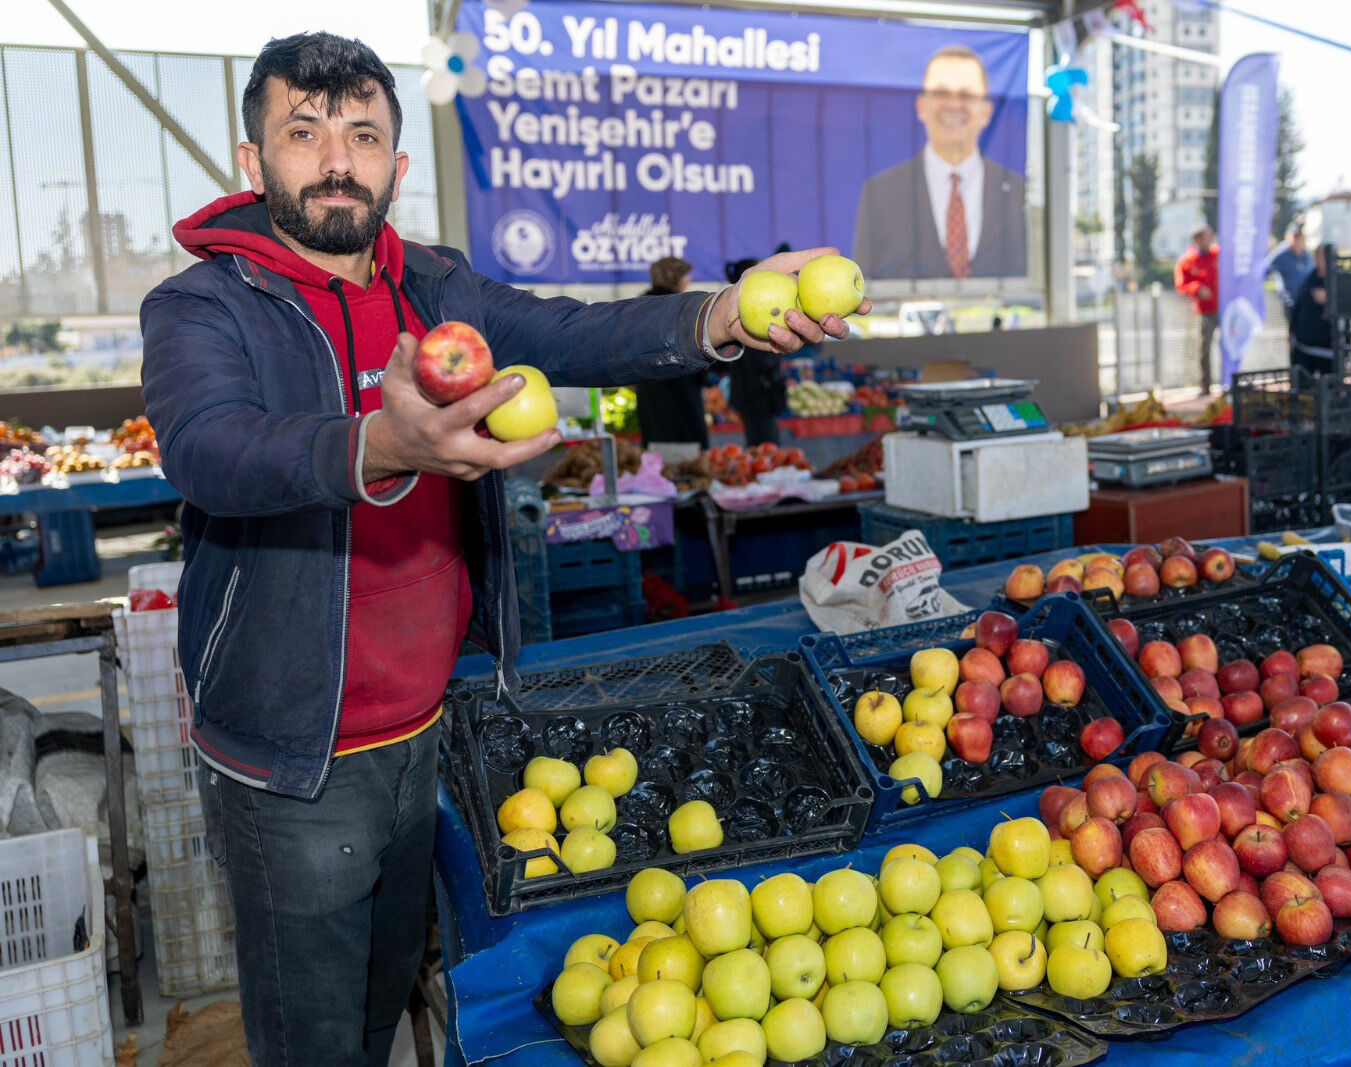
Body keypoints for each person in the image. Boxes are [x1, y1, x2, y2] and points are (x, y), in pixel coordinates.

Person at [138, 32, 862, 1066]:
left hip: (433, 723)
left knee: (387, 998)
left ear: (397, 163)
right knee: (312, 1038)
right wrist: (382, 445)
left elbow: (572, 331)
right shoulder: (202, 306)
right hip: (294, 752)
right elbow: (213, 450)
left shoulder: (439, 289)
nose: (337, 160)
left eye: (363, 135)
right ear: (254, 162)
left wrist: (721, 315)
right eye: (304, 133)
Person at [852, 44, 1026, 279]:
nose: (954, 104)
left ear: (986, 112)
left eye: (967, 95)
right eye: (941, 93)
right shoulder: (880, 194)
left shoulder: (1020, 194)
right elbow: (864, 284)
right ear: (922, 106)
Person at [635, 256, 710, 450]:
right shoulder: (682, 306)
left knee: (656, 437)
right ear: (675, 277)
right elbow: (695, 346)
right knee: (687, 442)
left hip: (650, 386)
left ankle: (658, 469)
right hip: (681, 384)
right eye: (686, 276)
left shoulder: (639, 307)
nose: (689, 280)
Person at [722, 256, 789, 445]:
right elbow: (759, 359)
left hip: (748, 389)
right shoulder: (749, 308)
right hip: (756, 391)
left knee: (758, 440)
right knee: (765, 443)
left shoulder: (737, 305)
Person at [1174, 226, 1221, 393]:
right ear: (1198, 240)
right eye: (1206, 237)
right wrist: (1197, 288)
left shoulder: (1219, 254)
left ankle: (1229, 384)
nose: (1210, 240)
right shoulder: (1186, 261)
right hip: (1205, 311)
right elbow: (1181, 285)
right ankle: (1206, 386)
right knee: (1204, 348)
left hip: (1225, 310)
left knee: (1229, 347)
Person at [1289, 244, 1334, 376]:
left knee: (1329, 385)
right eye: (1319, 256)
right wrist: (1291, 332)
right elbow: (1297, 307)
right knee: (1302, 384)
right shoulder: (1309, 279)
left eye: (1324, 256)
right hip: (1304, 347)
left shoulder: (1341, 280)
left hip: (1328, 350)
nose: (1321, 260)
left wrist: (1329, 300)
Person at [1266, 224, 1314, 316]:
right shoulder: (1281, 254)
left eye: (1300, 237)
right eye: (1295, 237)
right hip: (1289, 302)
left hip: (1306, 301)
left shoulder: (1307, 256)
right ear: (1289, 237)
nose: (1298, 241)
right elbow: (1265, 270)